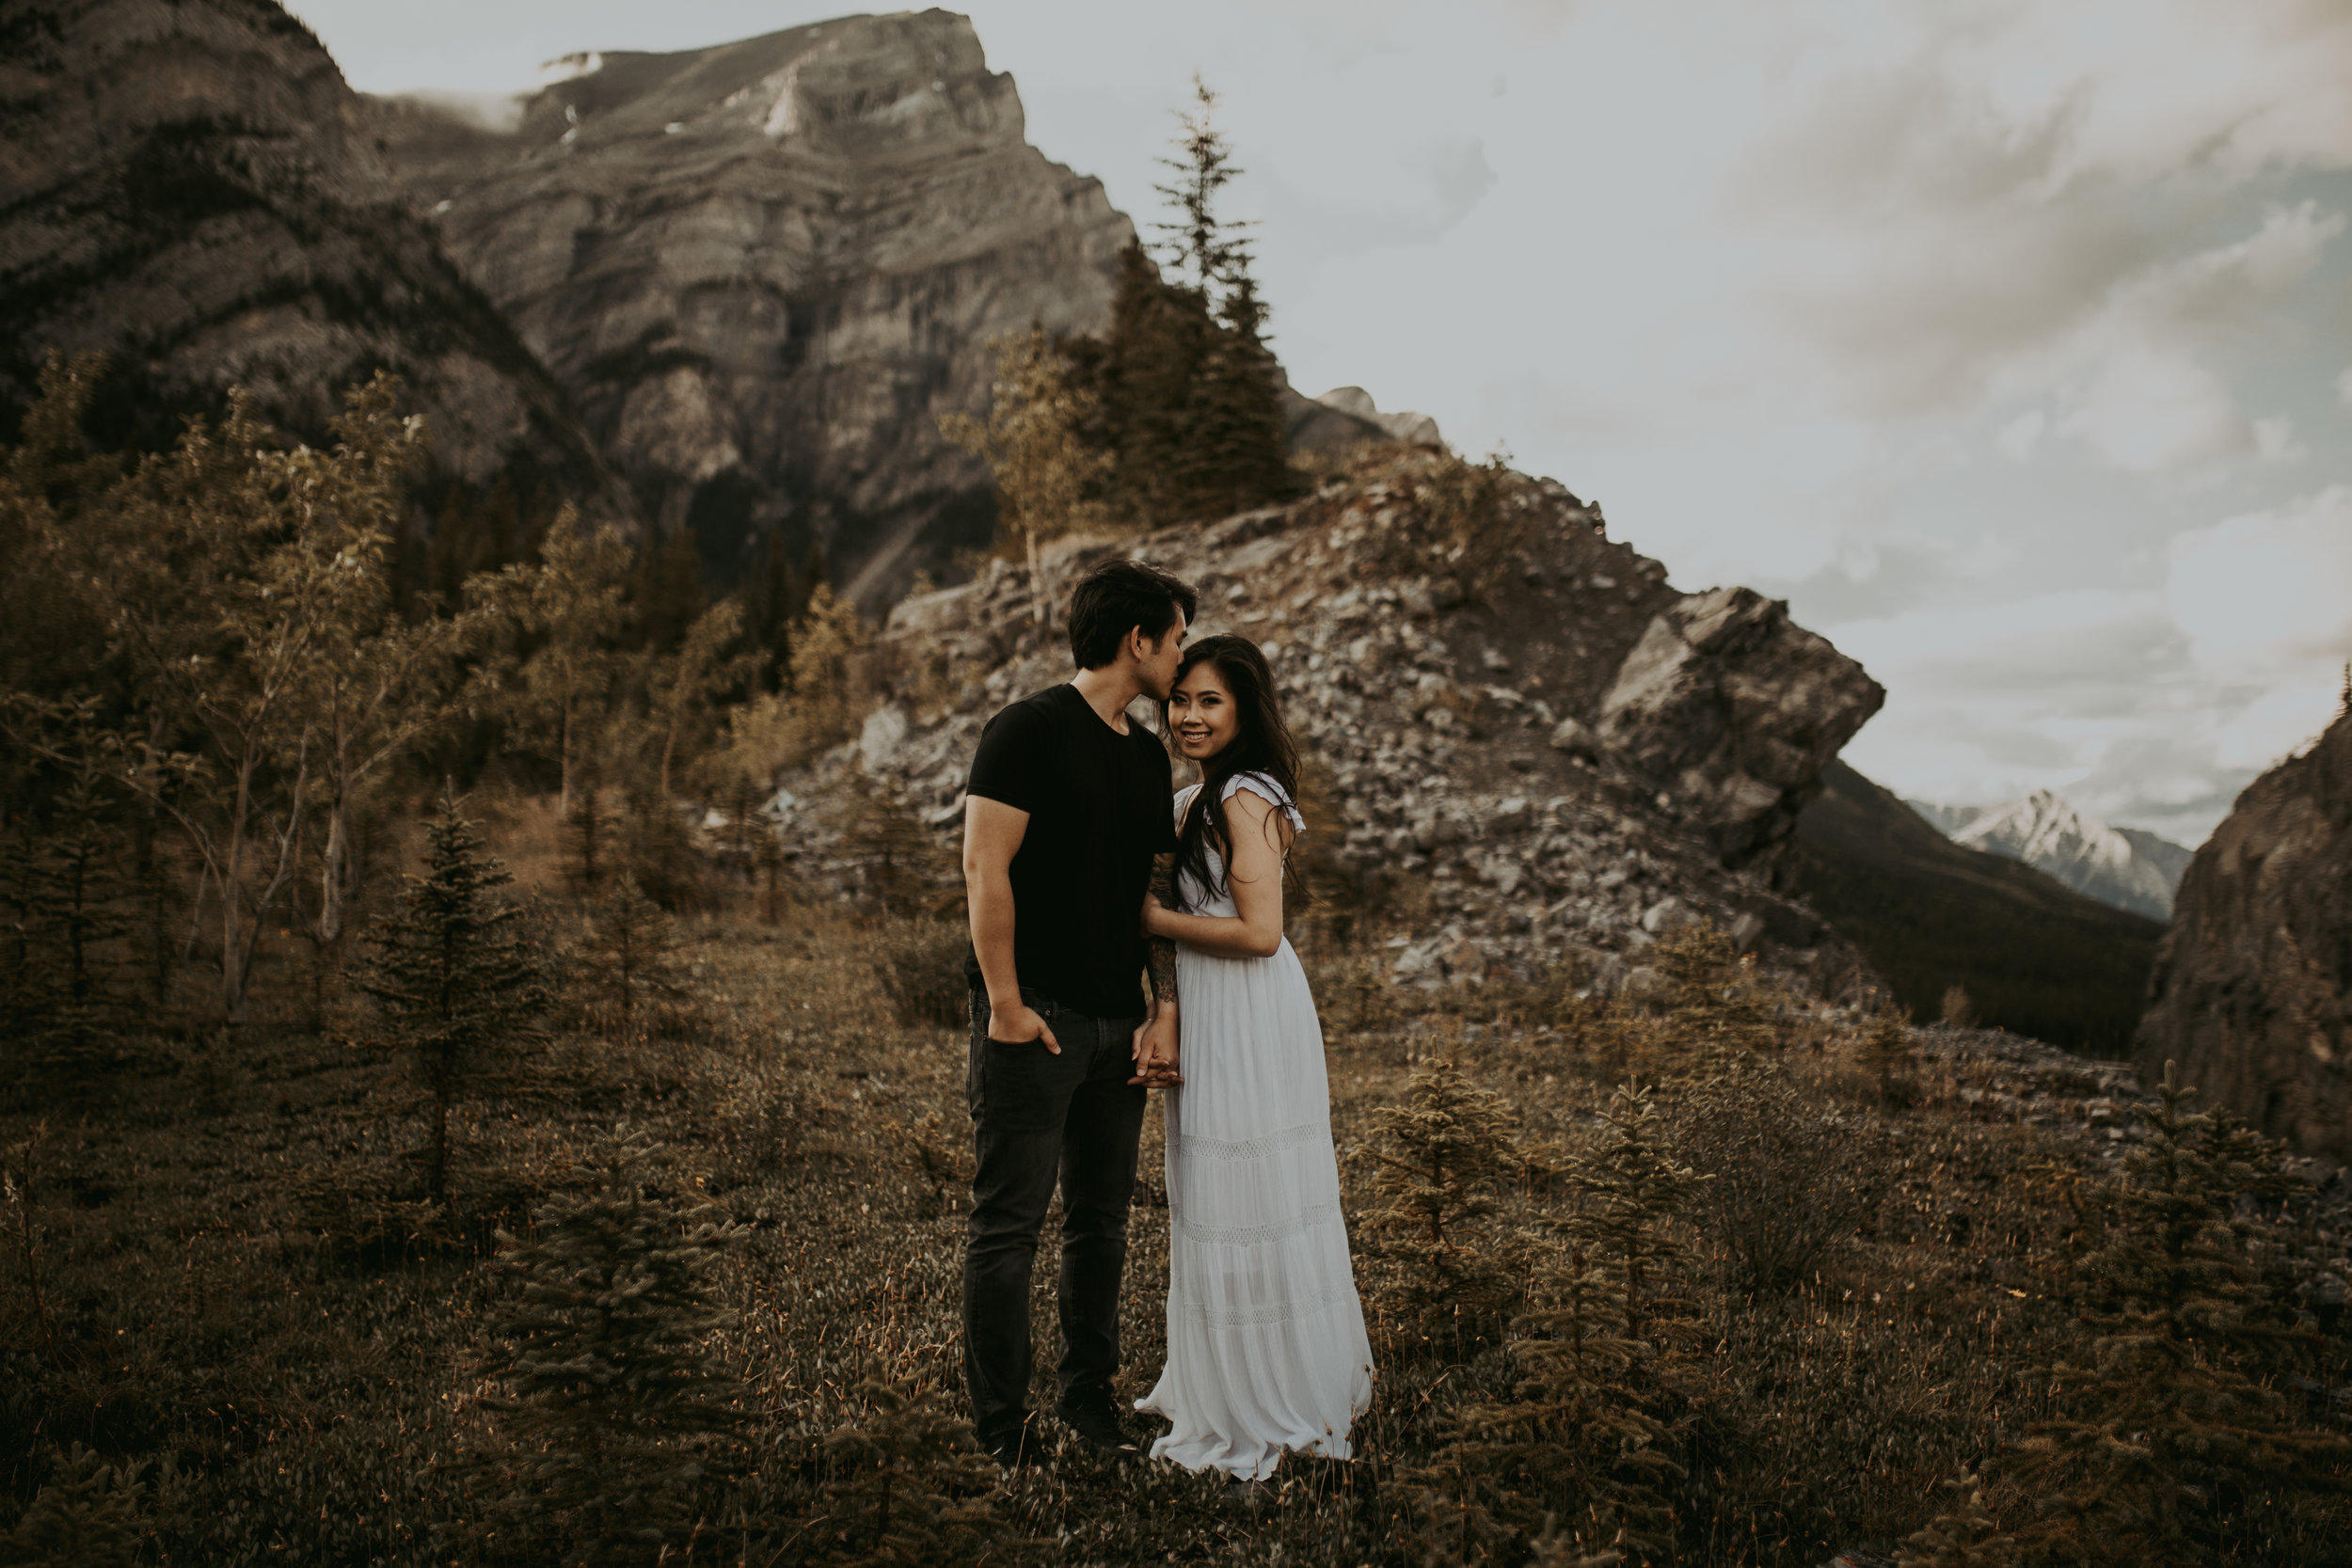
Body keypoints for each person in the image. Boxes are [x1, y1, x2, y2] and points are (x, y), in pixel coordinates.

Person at [960, 557, 1197, 1468]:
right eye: (1175, 638)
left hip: (1114, 1029)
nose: (1180, 656)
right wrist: (1008, 1005)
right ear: (1137, 639)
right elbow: (984, 868)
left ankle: (1087, 1401)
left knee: (1099, 1221)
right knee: (1008, 1222)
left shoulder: (1145, 754)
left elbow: (1153, 887)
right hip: (1036, 1022)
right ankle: (1002, 1428)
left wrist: (1160, 1007)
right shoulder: (1025, 729)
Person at [1134, 634, 1373, 1484]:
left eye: (1211, 702)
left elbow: (1261, 934)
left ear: (1244, 710)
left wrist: (1157, 924)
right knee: (1215, 1190)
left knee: (1255, 1191)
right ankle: (1229, 1377)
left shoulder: (1242, 795)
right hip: (1209, 1003)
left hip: (1247, 1006)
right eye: (1181, 700)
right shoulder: (1199, 791)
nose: (1190, 716)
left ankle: (1268, 1393)